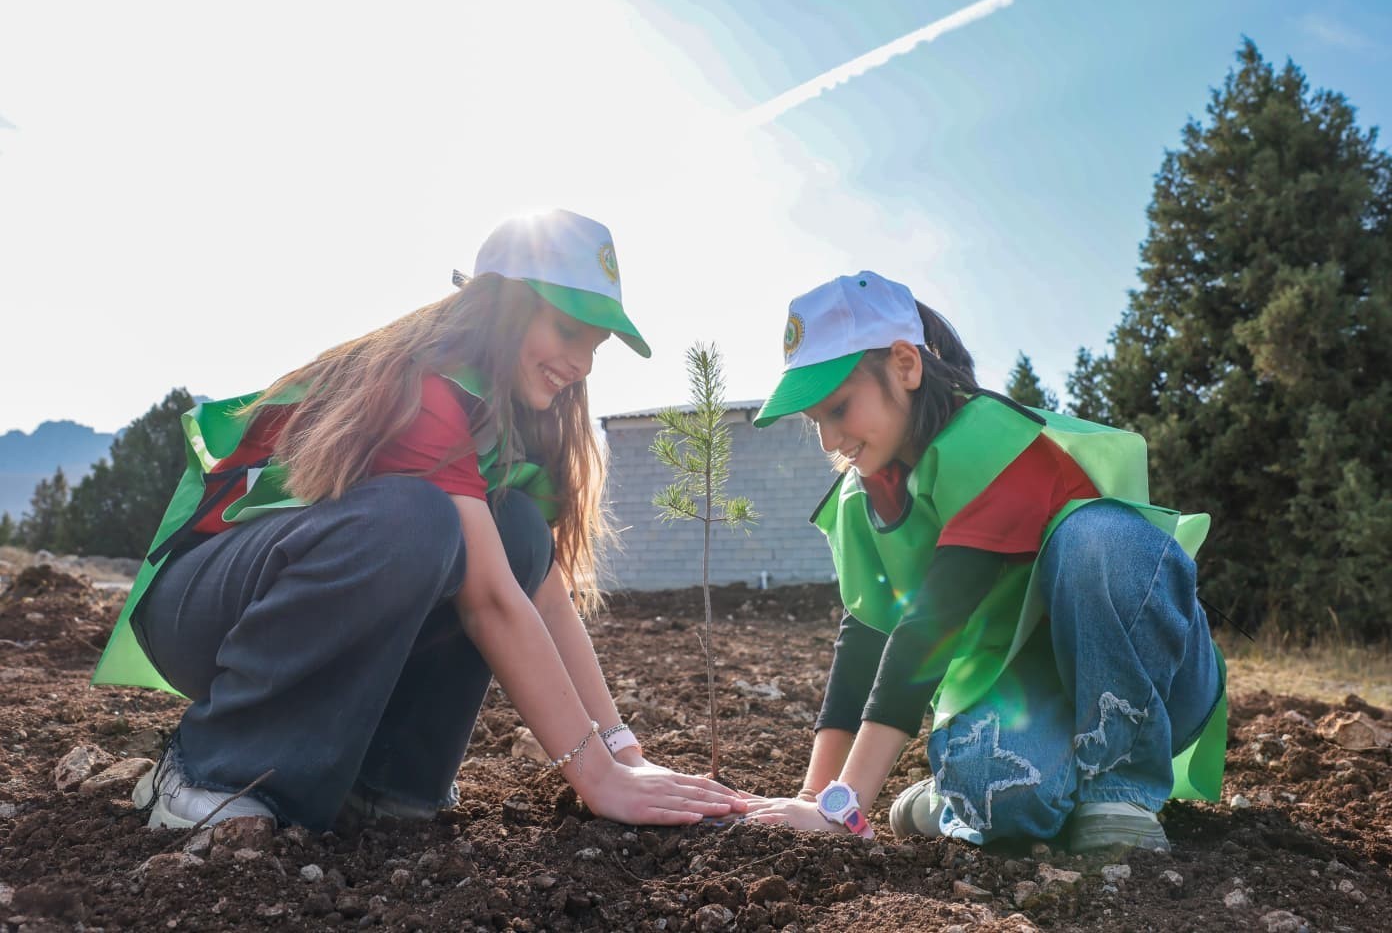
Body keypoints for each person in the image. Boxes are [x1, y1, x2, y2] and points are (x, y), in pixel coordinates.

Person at [92, 209, 746, 832]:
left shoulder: (512, 417)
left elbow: (540, 595)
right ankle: (209, 768)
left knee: (513, 530)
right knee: (417, 521)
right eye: (568, 330)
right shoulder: (426, 389)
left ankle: (386, 784)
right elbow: (491, 601)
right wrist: (596, 781)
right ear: (501, 305)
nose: (583, 362)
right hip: (201, 604)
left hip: (281, 595)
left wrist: (623, 754)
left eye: (596, 343)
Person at [742, 271, 1226, 853]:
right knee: (999, 788)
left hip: (1152, 676)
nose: (827, 440)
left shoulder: (994, 446)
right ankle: (962, 795)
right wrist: (818, 798)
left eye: (839, 408)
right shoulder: (863, 496)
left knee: (1098, 536)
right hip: (1031, 696)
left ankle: (1119, 793)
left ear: (905, 364)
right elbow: (865, 642)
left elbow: (929, 627)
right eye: (814, 420)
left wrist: (847, 808)